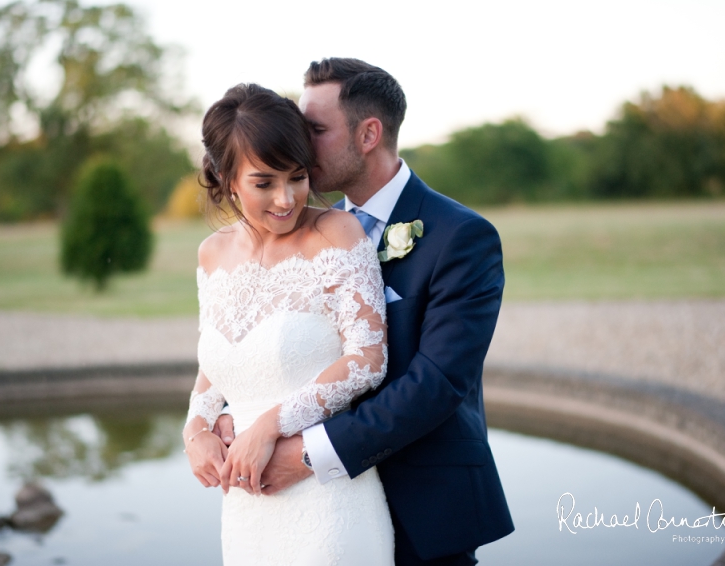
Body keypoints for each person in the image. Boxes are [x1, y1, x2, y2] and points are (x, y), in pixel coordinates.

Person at [215, 58, 515, 565]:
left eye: (314, 129)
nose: (300, 145)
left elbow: (437, 382)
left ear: (369, 133)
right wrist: (230, 413)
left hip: (422, 505)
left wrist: (310, 454)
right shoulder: (304, 231)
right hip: (315, 509)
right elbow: (274, 338)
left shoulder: (460, 237)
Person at [182, 83, 394, 565]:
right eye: (264, 183)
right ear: (226, 178)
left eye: (297, 177)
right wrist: (195, 429)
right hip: (245, 506)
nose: (286, 198)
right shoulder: (211, 255)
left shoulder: (336, 234)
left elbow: (367, 360)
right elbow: (215, 364)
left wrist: (268, 427)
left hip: (326, 501)